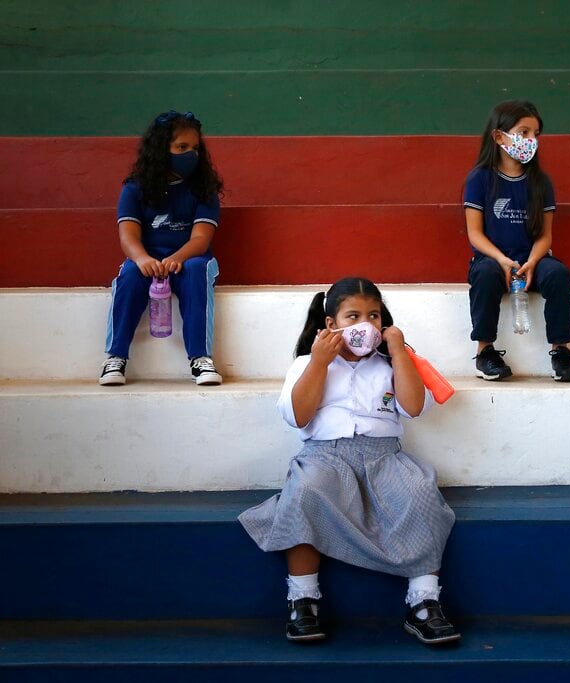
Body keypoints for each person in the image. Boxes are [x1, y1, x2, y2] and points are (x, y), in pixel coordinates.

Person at [238, 277, 460, 645]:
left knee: (420, 495)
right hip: (324, 457)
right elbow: (298, 416)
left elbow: (414, 406)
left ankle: (424, 602)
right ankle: (303, 598)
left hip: (384, 457)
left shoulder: (388, 364)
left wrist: (400, 352)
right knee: (304, 493)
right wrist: (320, 362)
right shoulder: (308, 363)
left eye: (373, 316)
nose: (365, 324)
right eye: (352, 315)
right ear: (331, 324)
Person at [100, 110, 224, 386]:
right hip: (148, 259)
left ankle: (200, 359)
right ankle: (115, 357)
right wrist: (143, 258)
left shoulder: (203, 190)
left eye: (194, 148)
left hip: (191, 258)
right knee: (130, 273)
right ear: (160, 149)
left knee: (195, 269)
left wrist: (176, 258)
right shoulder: (134, 189)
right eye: (181, 147)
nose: (190, 154)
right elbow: (128, 237)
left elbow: (201, 239)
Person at [463, 99, 570, 382]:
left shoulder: (541, 182)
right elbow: (474, 233)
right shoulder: (479, 179)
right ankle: (485, 352)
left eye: (536, 134)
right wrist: (502, 260)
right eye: (524, 132)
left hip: (533, 260)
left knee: (559, 274)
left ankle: (561, 351)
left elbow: (545, 235)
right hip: (493, 260)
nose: (531, 140)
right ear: (499, 135)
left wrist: (531, 262)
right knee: (485, 274)